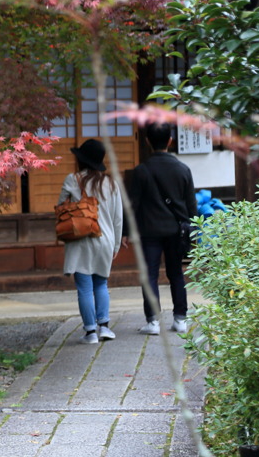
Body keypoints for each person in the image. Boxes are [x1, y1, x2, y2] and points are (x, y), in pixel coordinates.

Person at [129, 122, 197, 335]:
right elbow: (191, 206)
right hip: (176, 230)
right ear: (170, 140)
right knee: (176, 273)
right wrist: (192, 231)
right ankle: (180, 319)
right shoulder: (183, 169)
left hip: (149, 231)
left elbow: (132, 204)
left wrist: (126, 232)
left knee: (149, 274)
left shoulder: (141, 171)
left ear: (148, 141)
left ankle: (152, 322)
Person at [58, 139, 124, 344]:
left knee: (85, 288)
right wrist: (116, 244)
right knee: (101, 284)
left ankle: (90, 333)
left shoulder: (72, 179)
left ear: (81, 160)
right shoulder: (111, 183)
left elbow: (61, 206)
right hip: (104, 239)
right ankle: (104, 327)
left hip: (80, 239)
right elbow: (117, 217)